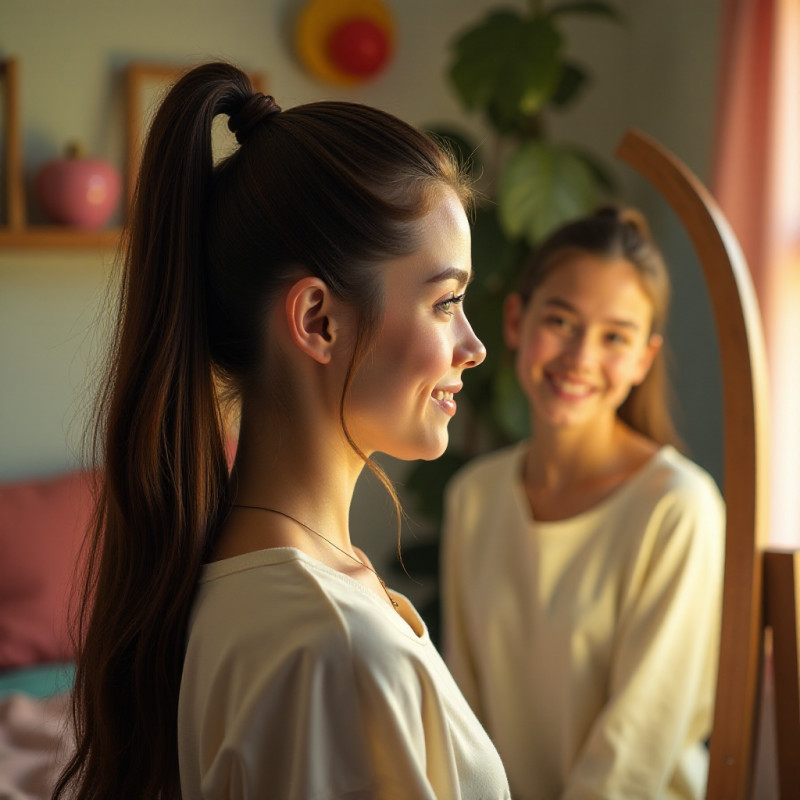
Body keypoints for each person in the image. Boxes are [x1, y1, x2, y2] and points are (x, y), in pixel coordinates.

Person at [53, 61, 511, 800]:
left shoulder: (256, 585)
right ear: (317, 321)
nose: (474, 346)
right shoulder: (330, 649)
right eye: (444, 302)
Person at [441, 207, 725, 799]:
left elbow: (636, 748)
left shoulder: (678, 508)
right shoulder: (475, 497)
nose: (580, 357)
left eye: (615, 337)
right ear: (517, 321)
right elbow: (460, 715)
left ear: (644, 360)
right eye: (562, 321)